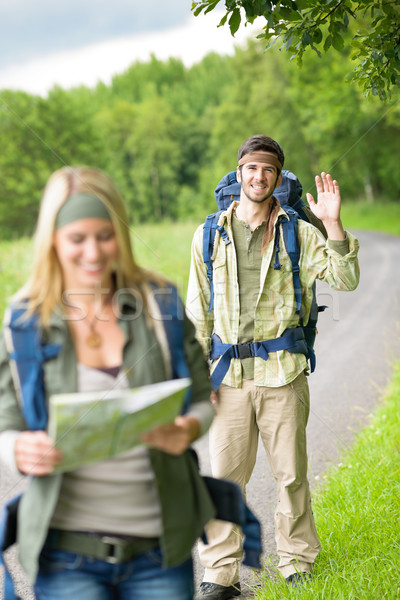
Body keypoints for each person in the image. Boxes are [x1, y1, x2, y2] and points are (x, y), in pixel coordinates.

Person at [0, 165, 216, 600]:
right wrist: (16, 449)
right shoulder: (24, 323)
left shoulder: (161, 305)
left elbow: (202, 400)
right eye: (77, 239)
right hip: (66, 557)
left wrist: (188, 429)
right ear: (53, 241)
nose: (94, 253)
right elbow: (7, 423)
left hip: (160, 551)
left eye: (105, 235)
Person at [186, 135, 360, 599]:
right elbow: (196, 313)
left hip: (284, 373)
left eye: (267, 170)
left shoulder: (297, 232)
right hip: (228, 380)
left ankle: (296, 561)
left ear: (277, 178)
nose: (258, 176)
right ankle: (221, 573)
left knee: (291, 475)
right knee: (224, 479)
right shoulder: (209, 235)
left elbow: (345, 279)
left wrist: (333, 224)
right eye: (250, 168)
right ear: (238, 173)